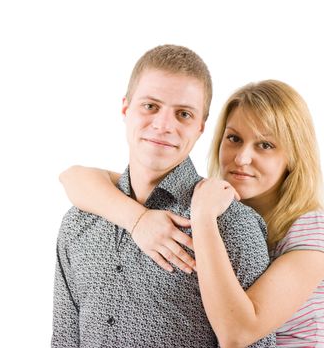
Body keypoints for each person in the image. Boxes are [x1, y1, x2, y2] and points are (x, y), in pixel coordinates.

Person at [60, 80, 324, 347]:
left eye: (265, 145)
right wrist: (139, 220)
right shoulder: (217, 199)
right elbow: (75, 178)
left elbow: (237, 333)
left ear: (294, 155)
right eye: (234, 138)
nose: (242, 158)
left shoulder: (313, 231)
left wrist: (203, 217)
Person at [52, 45, 275, 347]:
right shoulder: (80, 221)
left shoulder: (234, 225)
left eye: (183, 114)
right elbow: (65, 340)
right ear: (125, 109)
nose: (163, 125)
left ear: (200, 128)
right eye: (150, 106)